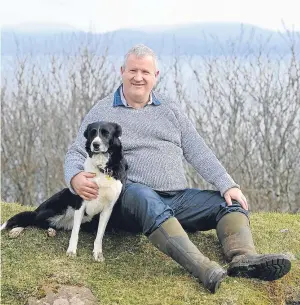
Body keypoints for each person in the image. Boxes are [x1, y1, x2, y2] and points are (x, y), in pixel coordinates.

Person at [64, 44, 291, 293]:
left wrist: (227, 183)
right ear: (122, 71)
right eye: (132, 70)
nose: (138, 77)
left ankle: (244, 259)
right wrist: (75, 177)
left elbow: (197, 148)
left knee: (228, 204)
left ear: (156, 76)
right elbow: (76, 151)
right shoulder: (103, 110)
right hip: (132, 200)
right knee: (143, 195)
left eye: (145, 72)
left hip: (177, 198)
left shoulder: (170, 109)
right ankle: (204, 268)